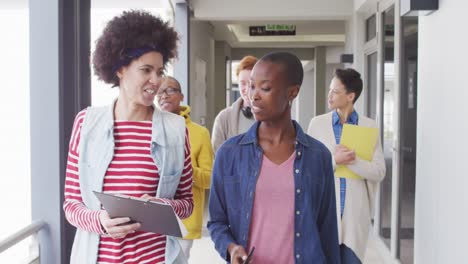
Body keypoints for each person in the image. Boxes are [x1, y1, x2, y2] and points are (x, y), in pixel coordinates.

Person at [63, 10, 194, 264]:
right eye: (146, 70)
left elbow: (187, 203)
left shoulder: (176, 129)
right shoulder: (86, 124)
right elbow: (71, 204)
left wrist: (159, 206)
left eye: (159, 71)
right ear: (120, 68)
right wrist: (99, 221)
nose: (155, 81)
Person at [208, 52, 340, 264]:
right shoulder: (229, 154)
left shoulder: (319, 157)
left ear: (292, 92)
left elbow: (328, 231)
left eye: (265, 88)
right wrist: (231, 248)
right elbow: (217, 222)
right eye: (251, 86)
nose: (254, 95)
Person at [307, 68, 385, 263]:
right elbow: (309, 170)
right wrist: (335, 161)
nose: (329, 95)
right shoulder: (317, 125)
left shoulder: (369, 126)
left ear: (350, 96)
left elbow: (379, 172)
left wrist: (353, 161)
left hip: (355, 217)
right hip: (325, 216)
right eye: (330, 90)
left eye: (335, 91)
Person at [157, 76, 214, 260]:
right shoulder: (149, 128)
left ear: (181, 95)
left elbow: (209, 179)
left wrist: (185, 165)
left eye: (170, 90)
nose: (164, 95)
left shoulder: (199, 133)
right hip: (153, 217)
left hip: (185, 220)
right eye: (159, 91)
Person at [211, 55, 258, 153]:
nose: (247, 89)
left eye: (251, 83)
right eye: (242, 83)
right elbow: (217, 156)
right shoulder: (224, 118)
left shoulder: (271, 117)